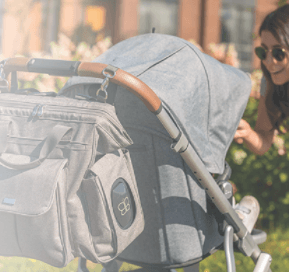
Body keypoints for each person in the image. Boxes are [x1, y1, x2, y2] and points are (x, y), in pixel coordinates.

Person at [234, 4, 289, 155]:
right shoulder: (269, 82)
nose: (269, 61)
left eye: (279, 53)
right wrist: (247, 133)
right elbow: (263, 142)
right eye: (263, 51)